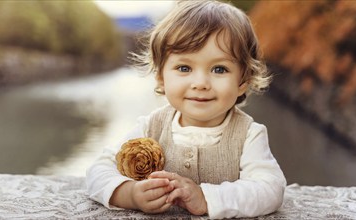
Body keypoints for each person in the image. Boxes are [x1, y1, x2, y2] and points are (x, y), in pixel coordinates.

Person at [86, 0, 286, 218]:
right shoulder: (150, 127)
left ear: (242, 81)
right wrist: (130, 193)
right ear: (161, 78)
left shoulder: (249, 135)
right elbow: (98, 170)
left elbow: (270, 189)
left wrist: (206, 198)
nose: (200, 83)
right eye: (184, 68)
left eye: (219, 69)